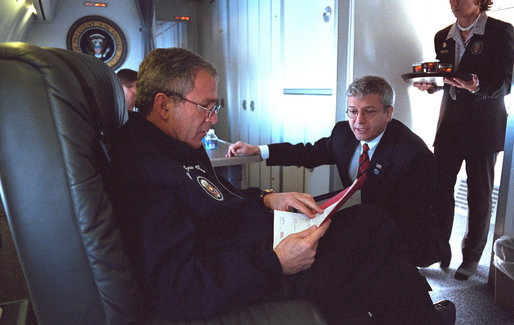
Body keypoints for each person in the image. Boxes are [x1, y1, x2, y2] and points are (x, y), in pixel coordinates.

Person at [110, 48, 456, 324]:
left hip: (249, 240)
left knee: (367, 224)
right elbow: (178, 288)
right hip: (252, 266)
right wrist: (277, 263)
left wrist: (266, 199)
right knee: (371, 230)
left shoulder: (179, 144)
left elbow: (217, 202)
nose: (213, 119)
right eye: (206, 106)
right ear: (163, 105)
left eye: (215, 107)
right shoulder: (145, 171)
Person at [228, 75, 446, 268]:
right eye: (352, 111)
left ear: (388, 113)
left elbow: (412, 217)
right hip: (361, 220)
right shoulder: (343, 133)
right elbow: (309, 153)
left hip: (399, 234)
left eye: (369, 112)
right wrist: (259, 150)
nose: (358, 121)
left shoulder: (413, 154)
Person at [414, 0, 514, 280]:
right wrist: (431, 85)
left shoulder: (501, 31)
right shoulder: (442, 36)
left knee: (479, 193)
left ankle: (471, 257)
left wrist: (478, 85)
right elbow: (447, 78)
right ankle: (439, 249)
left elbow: (506, 81)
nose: (455, 3)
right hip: (450, 126)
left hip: (484, 126)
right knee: (440, 189)